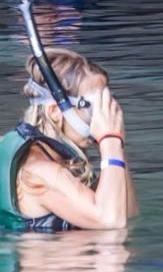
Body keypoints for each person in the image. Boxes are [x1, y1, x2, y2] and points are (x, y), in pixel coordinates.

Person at [0, 46, 137, 230]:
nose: (102, 117)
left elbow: (127, 213)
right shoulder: (38, 170)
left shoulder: (54, 155)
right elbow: (112, 222)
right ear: (55, 111)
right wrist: (110, 140)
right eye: (92, 107)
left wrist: (116, 147)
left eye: (106, 104)